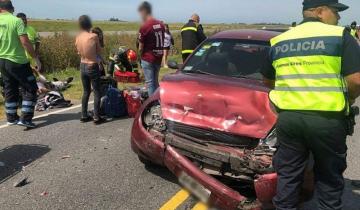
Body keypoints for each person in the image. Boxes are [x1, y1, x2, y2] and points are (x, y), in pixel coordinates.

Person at [261, 0, 360, 209]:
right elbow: (356, 80)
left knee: (288, 175)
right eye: (336, 12)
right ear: (321, 11)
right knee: (328, 178)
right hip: (327, 119)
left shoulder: (279, 40)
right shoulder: (341, 36)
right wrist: (349, 100)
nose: (339, 18)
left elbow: (268, 81)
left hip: (289, 120)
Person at [0, 0, 41, 128]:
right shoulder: (16, 21)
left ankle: (11, 118)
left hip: (2, 60)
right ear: (12, 8)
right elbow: (25, 43)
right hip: (17, 61)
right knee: (31, 87)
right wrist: (36, 58)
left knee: (10, 88)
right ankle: (26, 119)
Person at [75, 15, 104, 124]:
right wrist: (101, 62)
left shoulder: (78, 37)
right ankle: (97, 117)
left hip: (82, 64)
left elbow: (79, 52)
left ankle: (84, 115)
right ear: (89, 24)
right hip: (92, 65)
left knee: (86, 91)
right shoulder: (94, 36)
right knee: (97, 91)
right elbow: (99, 52)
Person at [137, 1, 165, 96]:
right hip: (158, 57)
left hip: (148, 58)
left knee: (150, 83)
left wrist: (140, 58)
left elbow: (141, 47)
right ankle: (158, 101)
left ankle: (153, 105)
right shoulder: (161, 24)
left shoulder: (145, 26)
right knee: (155, 82)